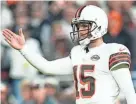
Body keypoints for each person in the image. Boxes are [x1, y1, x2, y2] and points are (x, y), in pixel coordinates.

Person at [2, 5, 136, 104]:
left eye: (84, 26)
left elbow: (129, 91)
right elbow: (47, 67)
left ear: (99, 25)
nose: (80, 30)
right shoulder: (77, 53)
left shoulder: (113, 51)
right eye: (78, 26)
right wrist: (23, 49)